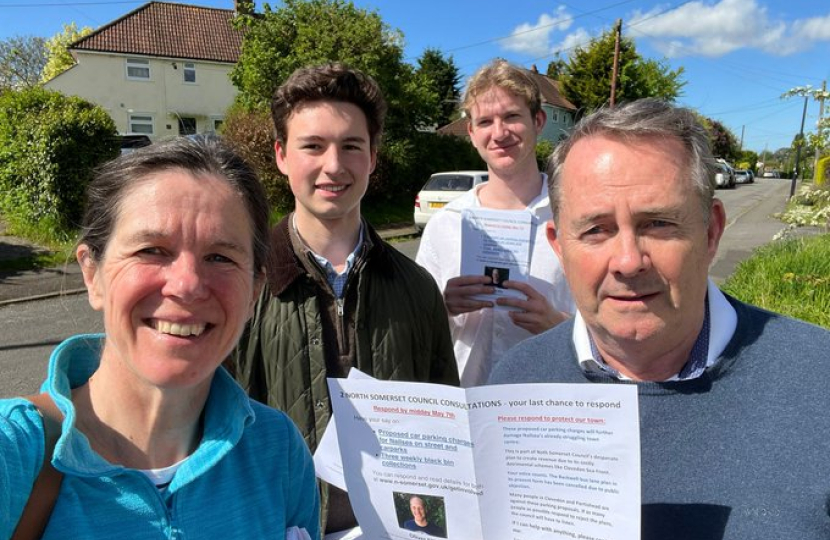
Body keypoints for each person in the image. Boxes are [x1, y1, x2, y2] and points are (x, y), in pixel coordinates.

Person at [489, 99, 830, 539]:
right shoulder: (514, 386)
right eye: (596, 229)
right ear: (559, 246)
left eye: (658, 224)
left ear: (711, 232)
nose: (629, 261)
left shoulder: (819, 378)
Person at [0, 137, 320, 539]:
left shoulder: (279, 451)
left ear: (255, 290)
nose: (187, 285)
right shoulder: (13, 452)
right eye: (152, 250)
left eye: (220, 257)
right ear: (91, 274)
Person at [231, 64, 459, 534]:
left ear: (372, 157)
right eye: (312, 146)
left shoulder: (417, 288)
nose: (333, 165)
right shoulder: (241, 285)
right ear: (281, 155)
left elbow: (444, 435)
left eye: (351, 146)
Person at [416, 59, 574, 387]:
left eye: (512, 116)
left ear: (538, 121)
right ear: (471, 133)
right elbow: (416, 333)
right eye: (485, 121)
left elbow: (611, 328)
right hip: (465, 410)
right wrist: (442, 308)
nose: (499, 133)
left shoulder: (574, 219)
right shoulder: (446, 224)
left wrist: (558, 325)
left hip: (547, 416)